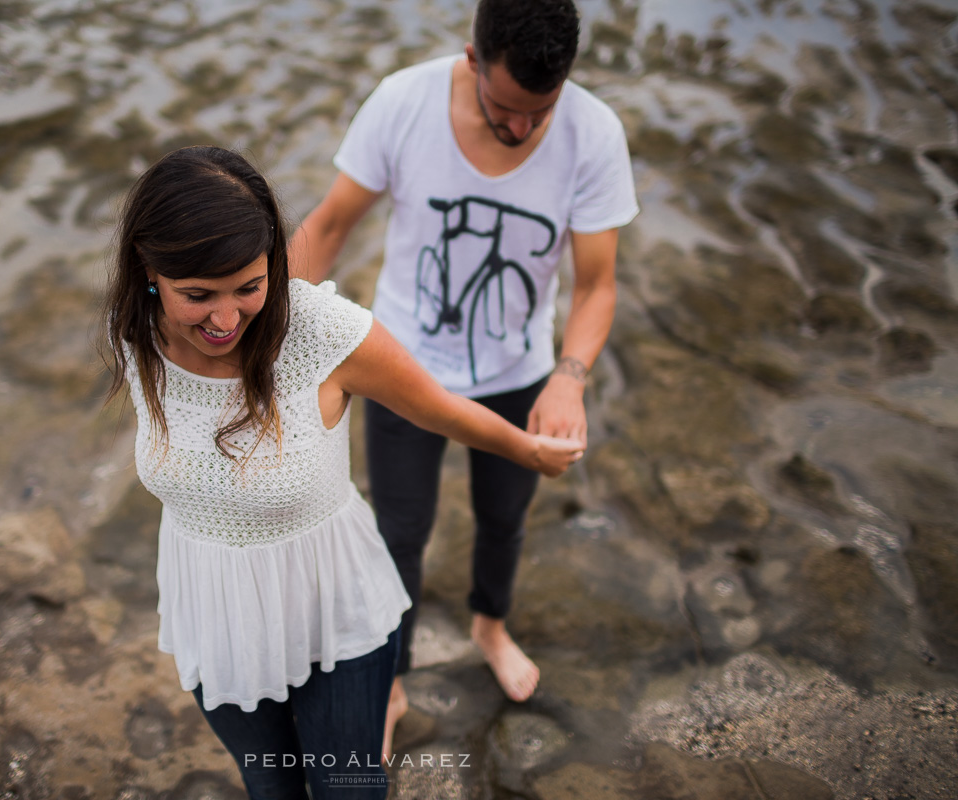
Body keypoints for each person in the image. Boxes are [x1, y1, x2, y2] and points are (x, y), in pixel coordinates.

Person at [102, 146, 581, 799]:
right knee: (271, 789)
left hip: (336, 607)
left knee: (347, 791)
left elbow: (437, 408)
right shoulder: (137, 336)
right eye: (197, 296)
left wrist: (526, 450)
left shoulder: (321, 332)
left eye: (248, 287)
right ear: (148, 273)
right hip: (217, 610)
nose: (224, 319)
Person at [290, 0, 639, 753]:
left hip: (521, 371)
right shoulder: (402, 101)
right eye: (504, 109)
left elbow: (598, 284)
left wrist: (570, 379)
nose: (521, 129)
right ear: (473, 59)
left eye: (539, 113)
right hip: (403, 364)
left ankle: (490, 625)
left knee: (504, 520)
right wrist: (264, 338)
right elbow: (330, 226)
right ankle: (387, 678)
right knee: (401, 531)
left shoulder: (593, 134)